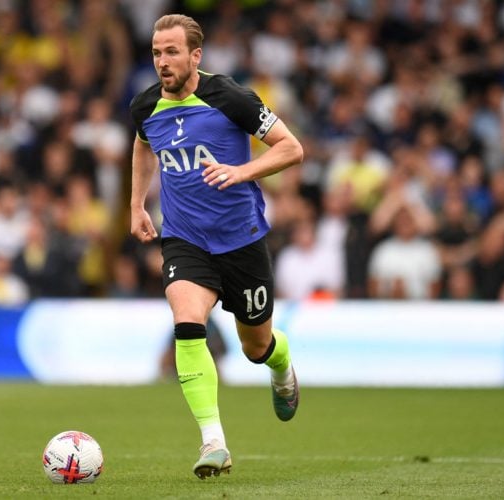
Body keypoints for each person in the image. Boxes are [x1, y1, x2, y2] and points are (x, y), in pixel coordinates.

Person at [129, 14, 304, 479]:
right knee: (187, 322)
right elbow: (143, 145)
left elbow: (292, 149)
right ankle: (214, 443)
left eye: (171, 52)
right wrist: (136, 206)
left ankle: (281, 364)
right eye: (155, 52)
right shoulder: (145, 106)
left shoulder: (231, 97)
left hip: (241, 240)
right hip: (185, 238)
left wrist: (241, 172)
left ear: (195, 56)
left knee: (256, 346)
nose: (162, 62)